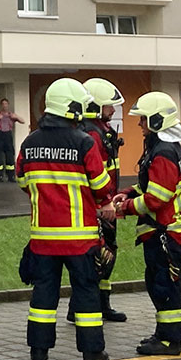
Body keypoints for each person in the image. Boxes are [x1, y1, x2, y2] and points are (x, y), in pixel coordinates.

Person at [17, 77, 114, 360]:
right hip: (79, 239)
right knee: (86, 294)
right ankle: (92, 353)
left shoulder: (30, 142)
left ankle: (39, 351)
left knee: (43, 295)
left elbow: (22, 180)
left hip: (43, 239)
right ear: (72, 108)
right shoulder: (83, 142)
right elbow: (101, 187)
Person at [117, 91, 181, 356]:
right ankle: (164, 333)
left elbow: (157, 198)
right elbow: (151, 185)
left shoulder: (163, 151)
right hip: (167, 231)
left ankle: (171, 341)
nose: (139, 125)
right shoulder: (163, 146)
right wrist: (128, 192)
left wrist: (124, 207)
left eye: (143, 119)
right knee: (160, 285)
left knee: (165, 287)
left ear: (158, 120)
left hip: (165, 232)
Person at [79, 78, 127, 324]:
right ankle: (85, 306)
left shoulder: (100, 130)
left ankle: (102, 302)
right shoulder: (92, 133)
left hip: (107, 203)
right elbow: (94, 174)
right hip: (99, 206)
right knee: (99, 254)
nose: (113, 110)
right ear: (96, 106)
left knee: (107, 252)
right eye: (109, 106)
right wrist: (103, 204)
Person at [0, 98, 25, 183]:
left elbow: (23, 121)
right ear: (1, 105)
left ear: (8, 105)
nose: (5, 106)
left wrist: (16, 117)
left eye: (6, 104)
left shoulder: (11, 114)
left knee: (10, 156)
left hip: (8, 135)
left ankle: (11, 176)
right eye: (3, 104)